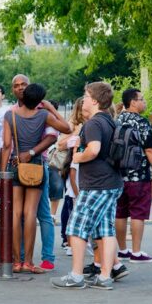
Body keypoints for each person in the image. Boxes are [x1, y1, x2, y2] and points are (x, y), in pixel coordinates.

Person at [52, 82, 125, 290]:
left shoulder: (93, 123)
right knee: (105, 230)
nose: (83, 99)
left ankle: (76, 276)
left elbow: (93, 150)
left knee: (76, 227)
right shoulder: (109, 121)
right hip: (111, 182)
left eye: (85, 96)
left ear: (94, 100)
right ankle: (105, 276)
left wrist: (77, 156)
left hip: (96, 184)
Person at [0, 82, 70, 274]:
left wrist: (3, 173)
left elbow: (6, 145)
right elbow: (66, 128)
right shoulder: (43, 115)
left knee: (16, 214)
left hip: (15, 166)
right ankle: (29, 262)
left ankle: (16, 262)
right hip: (36, 166)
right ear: (39, 100)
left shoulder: (10, 115)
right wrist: (51, 108)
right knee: (30, 214)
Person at [115, 88, 152, 263]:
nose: (144, 102)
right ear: (133, 102)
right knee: (138, 213)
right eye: (141, 99)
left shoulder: (117, 120)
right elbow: (150, 150)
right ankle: (136, 252)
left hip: (118, 175)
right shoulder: (141, 122)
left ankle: (122, 250)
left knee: (120, 213)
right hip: (139, 175)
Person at [58, 97, 85, 254]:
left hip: (85, 166)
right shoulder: (72, 124)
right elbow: (60, 144)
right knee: (70, 199)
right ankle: (66, 238)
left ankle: (79, 238)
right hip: (72, 165)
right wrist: (75, 134)